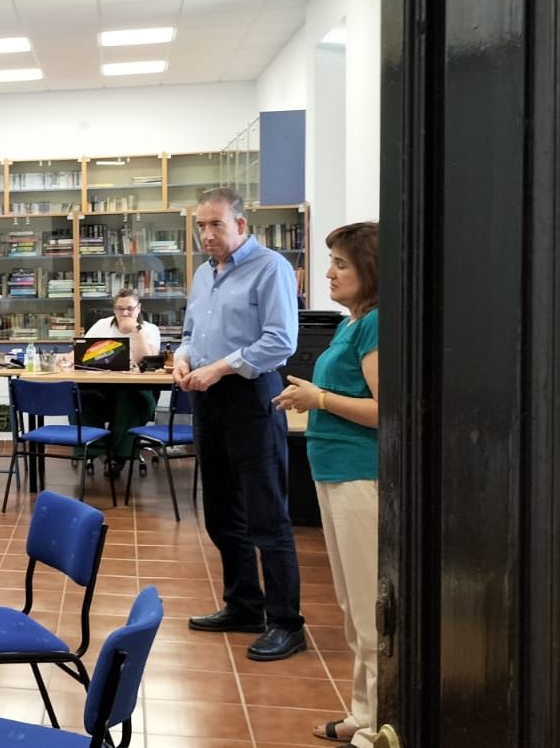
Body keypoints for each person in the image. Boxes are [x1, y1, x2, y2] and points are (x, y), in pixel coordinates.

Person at [174, 188, 303, 661]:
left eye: (217, 224)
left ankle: (286, 623)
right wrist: (182, 356)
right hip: (206, 398)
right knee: (222, 510)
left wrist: (220, 367)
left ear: (241, 225)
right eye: (201, 226)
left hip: (250, 397)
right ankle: (244, 605)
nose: (206, 234)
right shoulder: (203, 274)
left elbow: (280, 341)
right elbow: (191, 332)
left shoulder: (271, 268)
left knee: (266, 514)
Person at [272, 222, 380, 748]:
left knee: (369, 608)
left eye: (341, 264)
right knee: (351, 606)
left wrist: (318, 399)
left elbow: (385, 410)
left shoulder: (376, 324)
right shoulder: (351, 322)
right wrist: (313, 397)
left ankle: (380, 724)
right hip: (334, 471)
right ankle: (364, 712)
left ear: (370, 271)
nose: (329, 273)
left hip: (360, 474)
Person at [80, 290, 162, 477]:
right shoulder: (101, 325)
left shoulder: (149, 329)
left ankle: (118, 456)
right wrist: (67, 357)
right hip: (102, 389)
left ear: (138, 309)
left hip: (136, 390)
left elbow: (147, 360)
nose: (125, 313)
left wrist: (136, 331)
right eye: (120, 308)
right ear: (114, 309)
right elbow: (83, 352)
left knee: (130, 397)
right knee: (79, 397)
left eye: (130, 309)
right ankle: (102, 453)